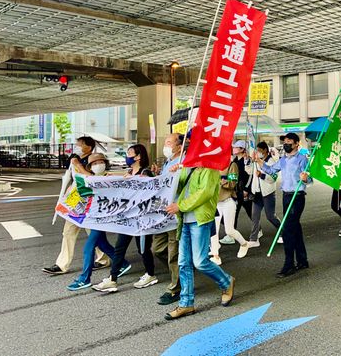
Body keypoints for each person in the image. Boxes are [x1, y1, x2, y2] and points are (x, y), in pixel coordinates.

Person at [164, 165, 235, 320]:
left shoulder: (210, 169)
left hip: (200, 220)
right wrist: (175, 174)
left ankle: (226, 282)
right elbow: (176, 189)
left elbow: (205, 193)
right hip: (184, 220)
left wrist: (180, 206)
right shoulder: (186, 168)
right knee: (183, 263)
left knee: (200, 262)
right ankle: (186, 303)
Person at [92, 144, 157, 292]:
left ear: (138, 156)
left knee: (143, 249)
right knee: (119, 248)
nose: (127, 156)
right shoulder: (129, 172)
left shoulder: (145, 173)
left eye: (129, 153)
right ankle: (112, 279)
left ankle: (150, 274)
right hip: (127, 219)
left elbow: (152, 192)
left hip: (141, 220)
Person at [43, 136, 110, 275]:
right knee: (68, 232)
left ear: (89, 147)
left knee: (93, 233)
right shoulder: (75, 159)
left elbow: (92, 179)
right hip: (75, 203)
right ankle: (61, 265)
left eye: (80, 144)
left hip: (90, 204)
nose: (77, 146)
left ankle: (103, 259)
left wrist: (78, 165)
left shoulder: (95, 160)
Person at [66, 153, 131, 291]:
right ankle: (123, 264)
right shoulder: (91, 178)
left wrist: (78, 165)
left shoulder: (108, 178)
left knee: (88, 247)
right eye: (94, 164)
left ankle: (85, 278)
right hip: (94, 217)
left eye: (100, 162)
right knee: (102, 244)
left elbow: (92, 179)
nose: (98, 165)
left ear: (105, 163)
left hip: (102, 219)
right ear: (90, 167)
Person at [257, 132, 311, 278]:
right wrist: (260, 163)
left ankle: (289, 265)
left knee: (287, 230)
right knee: (295, 228)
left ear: (296, 144)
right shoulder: (283, 160)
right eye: (284, 141)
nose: (286, 144)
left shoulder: (302, 159)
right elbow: (271, 170)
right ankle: (302, 260)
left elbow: (310, 179)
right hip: (286, 196)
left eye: (289, 142)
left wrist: (305, 178)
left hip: (297, 196)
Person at [151, 133, 183, 305]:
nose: (166, 146)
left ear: (179, 146)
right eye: (165, 142)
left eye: (169, 143)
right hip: (162, 212)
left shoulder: (183, 162)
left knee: (174, 252)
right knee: (157, 249)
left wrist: (181, 169)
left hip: (175, 211)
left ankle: (175, 288)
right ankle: (181, 272)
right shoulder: (167, 163)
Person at [209, 157, 250, 264]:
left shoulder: (232, 165)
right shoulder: (211, 164)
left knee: (229, 230)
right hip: (215, 202)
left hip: (228, 201)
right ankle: (215, 254)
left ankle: (244, 244)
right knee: (213, 230)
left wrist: (221, 182)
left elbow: (232, 183)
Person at [247, 142, 283, 245]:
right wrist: (247, 161)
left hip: (268, 193)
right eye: (257, 150)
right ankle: (253, 239)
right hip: (257, 192)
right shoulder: (256, 160)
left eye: (260, 150)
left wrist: (262, 175)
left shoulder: (271, 161)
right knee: (255, 216)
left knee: (270, 216)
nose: (258, 152)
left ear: (265, 150)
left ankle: (282, 232)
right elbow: (249, 171)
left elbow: (273, 178)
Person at [219, 141, 253, 245]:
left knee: (245, 211)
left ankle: (234, 237)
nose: (234, 149)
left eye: (236, 147)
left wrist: (246, 189)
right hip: (237, 191)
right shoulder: (235, 160)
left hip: (239, 192)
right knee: (247, 211)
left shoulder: (244, 161)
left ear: (242, 149)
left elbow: (249, 176)